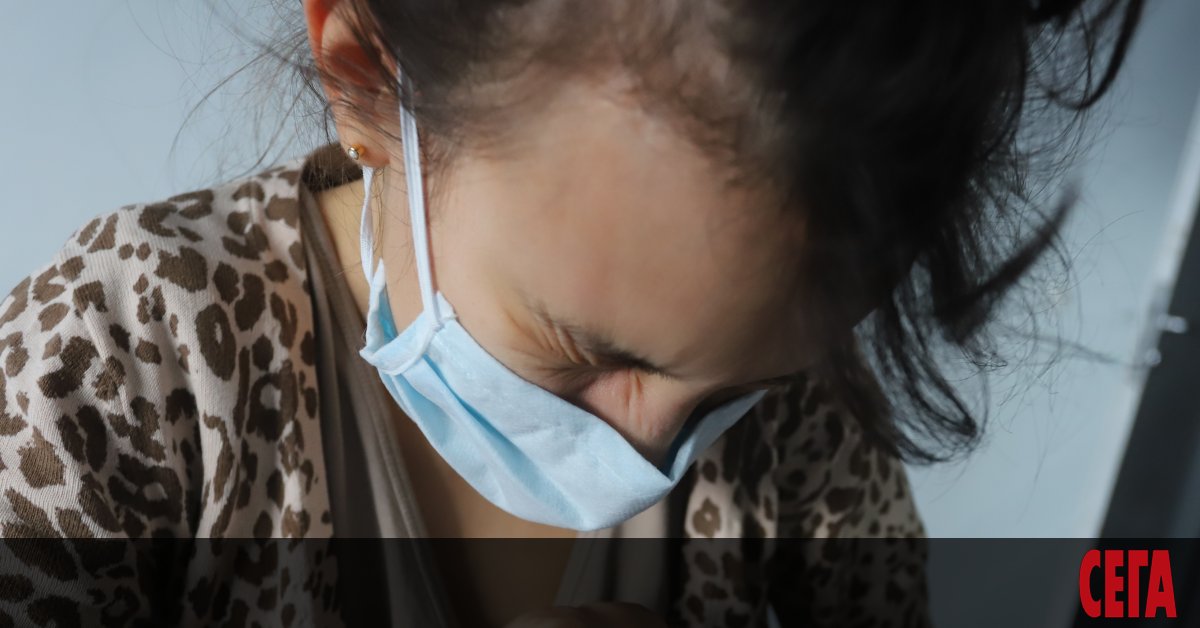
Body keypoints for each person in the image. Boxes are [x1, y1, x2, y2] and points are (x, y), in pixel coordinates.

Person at [0, 0, 1142, 626]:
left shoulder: (809, 425)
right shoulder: (114, 368)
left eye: (746, 382)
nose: (651, 459)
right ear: (366, 78)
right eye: (585, 349)